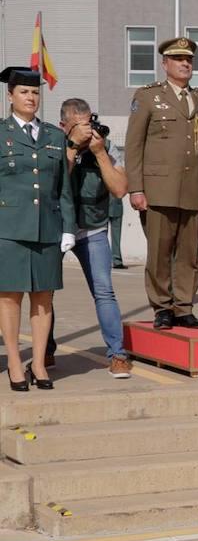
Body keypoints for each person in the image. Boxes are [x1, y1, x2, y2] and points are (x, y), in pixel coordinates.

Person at [125, 36, 198, 330]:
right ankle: (162, 307)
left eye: (189, 59)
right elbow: (134, 146)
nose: (185, 64)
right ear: (165, 63)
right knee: (160, 252)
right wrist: (136, 188)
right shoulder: (147, 96)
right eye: (178, 59)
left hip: (195, 188)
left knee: (189, 254)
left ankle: (183, 307)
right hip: (158, 189)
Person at [0, 67, 74, 391]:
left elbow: (64, 189)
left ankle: (40, 363)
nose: (31, 98)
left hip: (48, 227)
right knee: (9, 299)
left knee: (44, 299)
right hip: (9, 229)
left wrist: (68, 228)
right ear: (10, 96)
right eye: (24, 93)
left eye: (35, 93)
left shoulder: (55, 137)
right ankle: (15, 362)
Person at [58, 98, 132, 379]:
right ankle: (46, 350)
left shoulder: (106, 145)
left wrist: (99, 154)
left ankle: (117, 354)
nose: (87, 131)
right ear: (64, 126)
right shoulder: (56, 142)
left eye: (89, 123)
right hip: (58, 227)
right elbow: (54, 183)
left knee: (104, 291)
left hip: (93, 228)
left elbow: (120, 189)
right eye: (79, 126)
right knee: (45, 294)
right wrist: (73, 148)